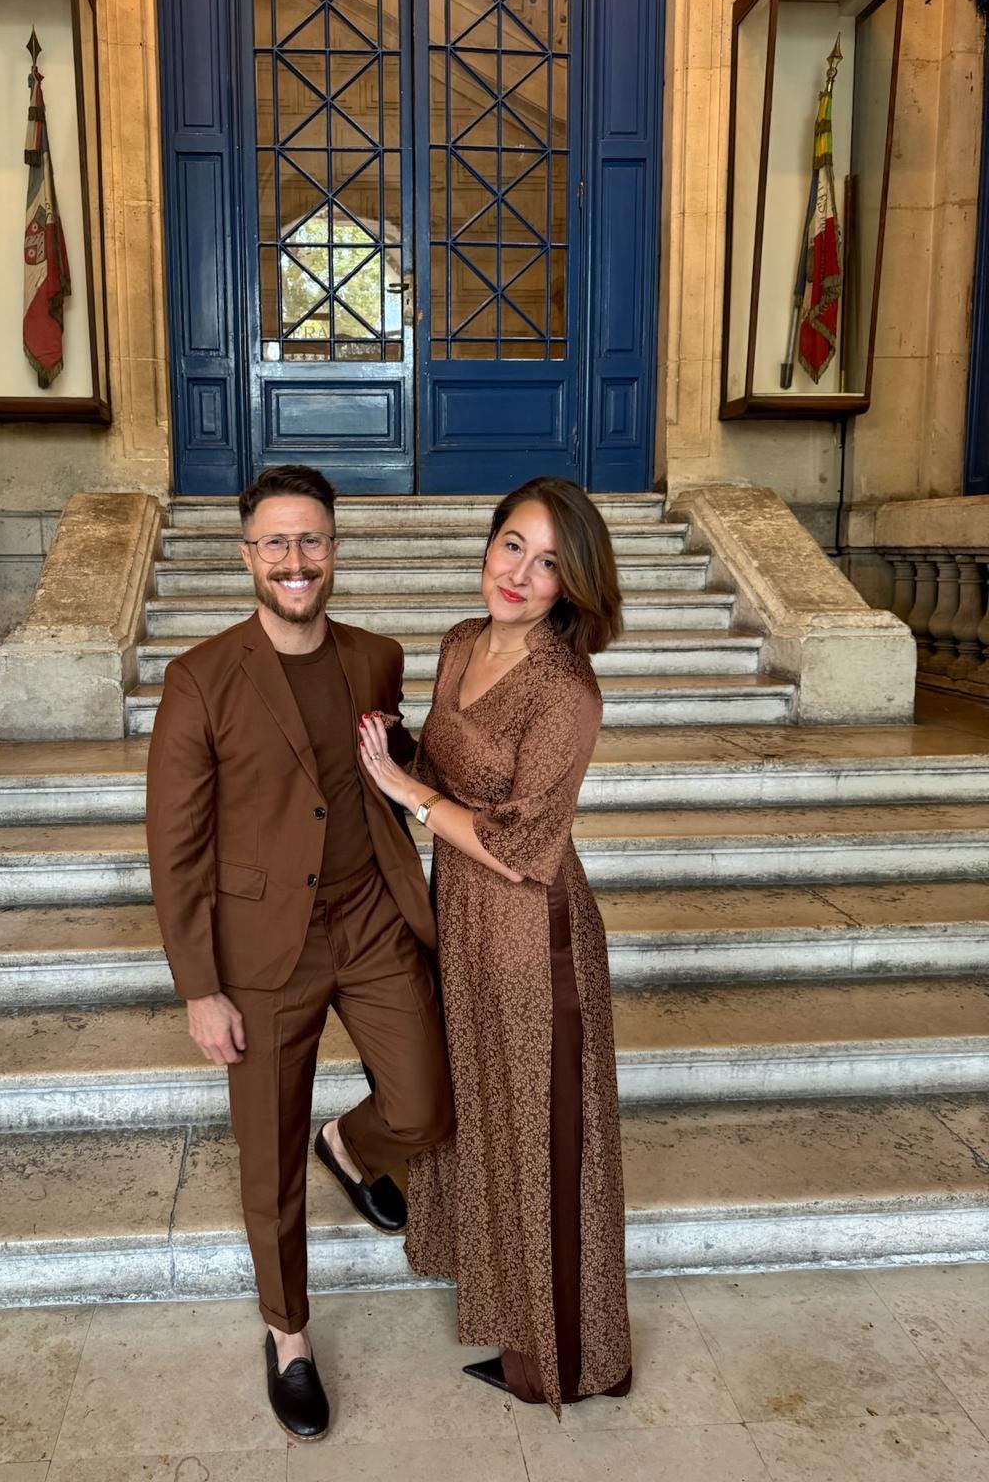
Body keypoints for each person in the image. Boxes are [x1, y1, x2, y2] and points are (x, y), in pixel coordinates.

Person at [146, 464, 454, 1443]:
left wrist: (402, 770)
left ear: (334, 548)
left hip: (367, 918)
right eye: (275, 542)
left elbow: (383, 771)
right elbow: (175, 845)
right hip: (259, 948)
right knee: (266, 1165)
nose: (295, 559)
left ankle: (350, 1145)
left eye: (310, 540)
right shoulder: (200, 678)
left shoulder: (375, 658)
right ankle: (288, 1336)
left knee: (425, 1098)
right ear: (247, 556)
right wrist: (201, 987)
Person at [358, 476, 632, 1415]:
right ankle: (510, 1307)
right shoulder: (458, 642)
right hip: (459, 921)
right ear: (488, 544)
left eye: (550, 562)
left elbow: (518, 845)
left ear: (573, 584)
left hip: (531, 936)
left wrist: (409, 793)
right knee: (481, 1116)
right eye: (513, 544)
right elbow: (441, 768)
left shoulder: (567, 691)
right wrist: (395, 752)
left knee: (542, 1135)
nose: (521, 573)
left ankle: (565, 1357)